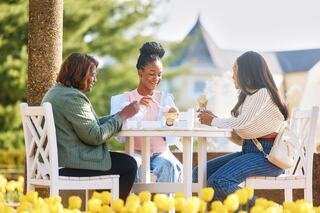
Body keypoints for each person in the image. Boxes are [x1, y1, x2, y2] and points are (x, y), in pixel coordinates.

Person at [193, 51, 288, 205]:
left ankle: (268, 209)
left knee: (218, 181)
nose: (232, 76)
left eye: (235, 71)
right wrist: (214, 119)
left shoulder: (263, 93)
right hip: (250, 151)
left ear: (247, 72)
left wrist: (214, 121)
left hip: (268, 157)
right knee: (199, 174)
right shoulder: (248, 96)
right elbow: (242, 131)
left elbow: (242, 122)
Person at [42, 53, 139, 199]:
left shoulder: (56, 92)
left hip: (57, 161)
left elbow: (90, 124)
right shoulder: (72, 98)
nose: (95, 79)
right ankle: (110, 210)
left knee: (116, 163)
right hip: (70, 165)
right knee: (128, 165)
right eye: (92, 75)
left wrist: (119, 114)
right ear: (79, 74)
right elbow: (95, 136)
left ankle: (101, 208)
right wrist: (123, 116)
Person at [110, 41, 182, 183]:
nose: (156, 79)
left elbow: (173, 138)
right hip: (135, 153)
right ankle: (137, 205)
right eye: (152, 73)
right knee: (133, 167)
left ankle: (164, 205)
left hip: (160, 153)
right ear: (140, 71)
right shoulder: (124, 99)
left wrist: (170, 121)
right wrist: (139, 109)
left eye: (160, 75)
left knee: (170, 165)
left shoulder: (165, 99)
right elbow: (119, 134)